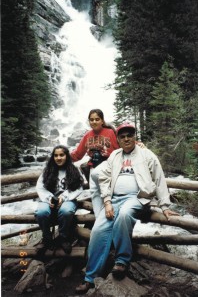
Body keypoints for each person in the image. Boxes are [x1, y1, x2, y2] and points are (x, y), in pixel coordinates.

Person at [75, 122, 180, 294]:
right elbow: (104, 179)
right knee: (98, 230)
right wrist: (107, 202)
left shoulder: (146, 154)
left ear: (134, 136)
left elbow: (159, 178)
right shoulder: (115, 155)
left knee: (124, 215)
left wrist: (165, 205)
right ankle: (90, 277)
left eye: (129, 135)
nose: (126, 139)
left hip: (138, 198)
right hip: (115, 199)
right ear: (118, 139)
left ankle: (122, 261)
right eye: (122, 136)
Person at [70, 109, 143, 218]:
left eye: (97, 119)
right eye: (91, 120)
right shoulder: (87, 136)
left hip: (109, 169)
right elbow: (78, 154)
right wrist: (63, 157)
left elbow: (122, 143)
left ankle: (113, 220)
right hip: (93, 169)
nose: (94, 122)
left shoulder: (109, 132)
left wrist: (138, 144)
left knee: (109, 196)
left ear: (102, 121)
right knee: (95, 195)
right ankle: (99, 220)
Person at [35, 145, 84, 255]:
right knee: (41, 212)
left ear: (67, 156)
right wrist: (50, 199)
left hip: (68, 200)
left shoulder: (74, 170)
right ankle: (47, 238)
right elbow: (40, 187)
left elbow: (79, 187)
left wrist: (64, 197)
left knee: (66, 211)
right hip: (48, 200)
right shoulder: (48, 170)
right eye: (56, 155)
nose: (59, 158)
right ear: (53, 157)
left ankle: (63, 238)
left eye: (62, 155)